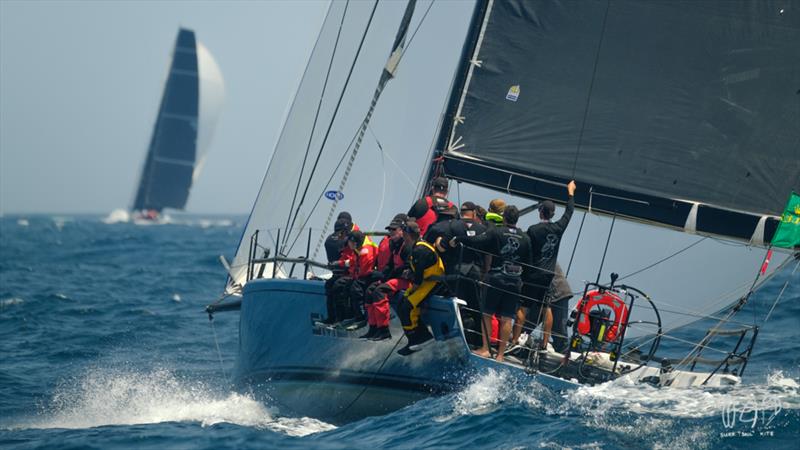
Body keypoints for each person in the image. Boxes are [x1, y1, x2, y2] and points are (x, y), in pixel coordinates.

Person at [454, 205, 531, 362]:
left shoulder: (497, 232)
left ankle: (486, 349)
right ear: (517, 219)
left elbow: (478, 241)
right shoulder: (526, 238)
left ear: (504, 218)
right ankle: (501, 355)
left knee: (487, 314)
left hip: (497, 278)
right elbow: (528, 262)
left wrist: (458, 239)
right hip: (515, 281)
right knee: (507, 318)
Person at [517, 180, 576, 348]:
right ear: (553, 213)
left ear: (540, 212)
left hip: (553, 288)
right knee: (542, 311)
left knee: (559, 336)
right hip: (548, 279)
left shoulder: (533, 230)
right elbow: (569, 213)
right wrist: (570, 193)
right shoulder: (558, 228)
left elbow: (525, 247)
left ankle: (516, 340)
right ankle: (543, 344)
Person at [397, 221, 444, 355]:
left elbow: (418, 278)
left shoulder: (419, 249)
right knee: (402, 302)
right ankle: (416, 338)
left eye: (403, 234)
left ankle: (420, 338)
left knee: (407, 306)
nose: (402, 237)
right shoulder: (416, 247)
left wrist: (412, 290)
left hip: (433, 283)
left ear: (407, 235)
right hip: (425, 281)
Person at [361, 214, 409, 340]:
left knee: (379, 291)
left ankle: (384, 330)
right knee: (370, 290)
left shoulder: (407, 246)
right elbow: (390, 265)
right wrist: (382, 276)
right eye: (390, 230)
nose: (391, 232)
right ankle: (373, 328)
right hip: (396, 279)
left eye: (394, 229)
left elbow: (409, 267)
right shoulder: (394, 244)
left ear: (402, 230)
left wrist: (391, 274)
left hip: (407, 281)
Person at [322, 217, 357, 324]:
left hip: (351, 272)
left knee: (337, 286)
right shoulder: (347, 239)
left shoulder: (331, 239)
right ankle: (335, 317)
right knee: (331, 285)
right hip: (346, 271)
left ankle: (342, 317)